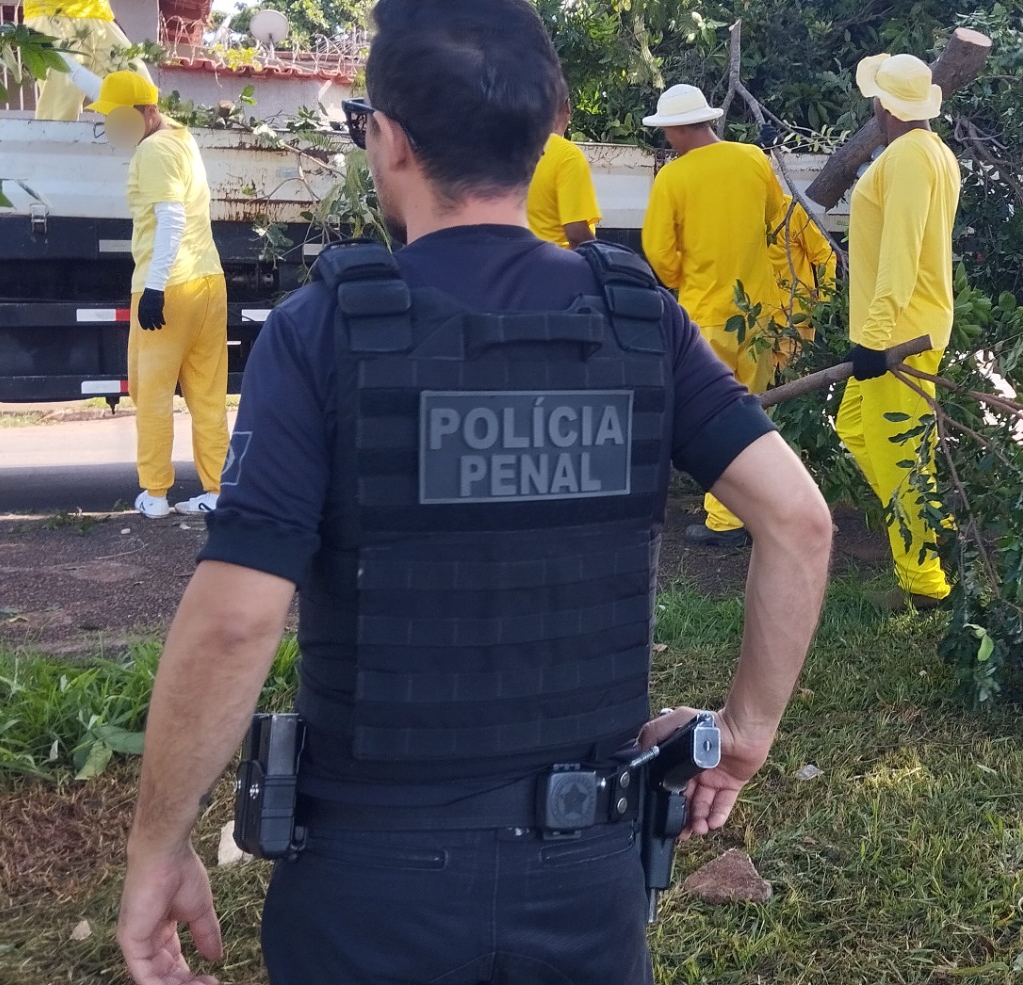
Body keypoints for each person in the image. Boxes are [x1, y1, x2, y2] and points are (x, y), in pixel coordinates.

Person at [114, 3, 833, 984]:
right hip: (588, 876)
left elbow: (239, 620)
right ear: (548, 132)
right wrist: (740, 736)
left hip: (371, 885)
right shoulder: (640, 322)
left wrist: (159, 842)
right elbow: (797, 520)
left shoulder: (322, 331)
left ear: (390, 137)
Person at [837, 53, 962, 610]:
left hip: (900, 338)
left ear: (883, 104)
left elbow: (901, 253)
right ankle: (929, 527)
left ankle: (925, 583)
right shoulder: (932, 151)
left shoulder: (910, 156)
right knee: (857, 430)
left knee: (904, 461)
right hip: (894, 330)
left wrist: (877, 335)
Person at [642, 83, 788, 549]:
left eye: (668, 131)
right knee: (754, 412)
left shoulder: (673, 178)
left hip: (706, 312)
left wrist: (684, 275)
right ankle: (755, 509)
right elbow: (774, 219)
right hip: (759, 312)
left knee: (709, 417)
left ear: (681, 129)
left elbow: (659, 253)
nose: (667, 139)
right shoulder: (753, 160)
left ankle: (724, 522)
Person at [87, 71, 229, 519]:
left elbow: (170, 219)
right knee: (207, 395)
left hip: (167, 288)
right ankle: (218, 489)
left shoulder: (151, 151)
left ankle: (155, 494)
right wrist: (60, 63)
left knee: (152, 395)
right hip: (209, 281)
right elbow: (116, 95)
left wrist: (152, 288)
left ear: (146, 114)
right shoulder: (181, 137)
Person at [24, 1, 149, 122]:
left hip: (98, 15)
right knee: (61, 109)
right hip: (51, 14)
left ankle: (157, 141)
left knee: (142, 98)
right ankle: (51, 142)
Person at [526, 77, 602, 249]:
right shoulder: (567, 156)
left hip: (516, 264)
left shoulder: (512, 150)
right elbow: (576, 233)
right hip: (557, 266)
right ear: (567, 107)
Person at [768, 194, 837, 371]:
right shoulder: (743, 212)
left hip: (795, 319)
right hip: (757, 320)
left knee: (795, 390)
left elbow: (824, 255)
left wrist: (825, 303)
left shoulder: (792, 210)